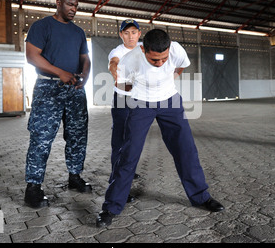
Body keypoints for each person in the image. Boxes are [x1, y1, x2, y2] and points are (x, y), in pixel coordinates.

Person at [96, 29, 224, 227]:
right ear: (143, 49)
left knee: (186, 150)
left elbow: (180, 67)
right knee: (128, 154)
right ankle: (111, 207)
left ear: (169, 48)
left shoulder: (176, 51)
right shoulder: (130, 60)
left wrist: (166, 82)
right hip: (140, 104)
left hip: (170, 102)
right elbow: (123, 87)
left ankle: (200, 197)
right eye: (154, 60)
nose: (160, 63)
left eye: (163, 59)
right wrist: (139, 90)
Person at [24, 0, 91, 208]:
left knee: (77, 135)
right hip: (47, 88)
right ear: (58, 3)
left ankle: (74, 176)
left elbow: (85, 59)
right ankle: (33, 187)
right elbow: (32, 56)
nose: (73, 8)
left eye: (76, 5)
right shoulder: (41, 26)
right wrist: (60, 72)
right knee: (42, 137)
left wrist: (85, 76)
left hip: (74, 89)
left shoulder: (79, 32)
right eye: (70, 4)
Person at [108, 19, 143, 202]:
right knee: (120, 139)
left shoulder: (144, 48)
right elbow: (113, 63)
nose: (131, 37)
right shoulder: (118, 51)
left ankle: (127, 171)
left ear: (139, 33)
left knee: (133, 138)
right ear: (121, 35)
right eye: (126, 33)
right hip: (122, 99)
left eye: (134, 32)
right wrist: (114, 71)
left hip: (141, 98)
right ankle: (116, 179)